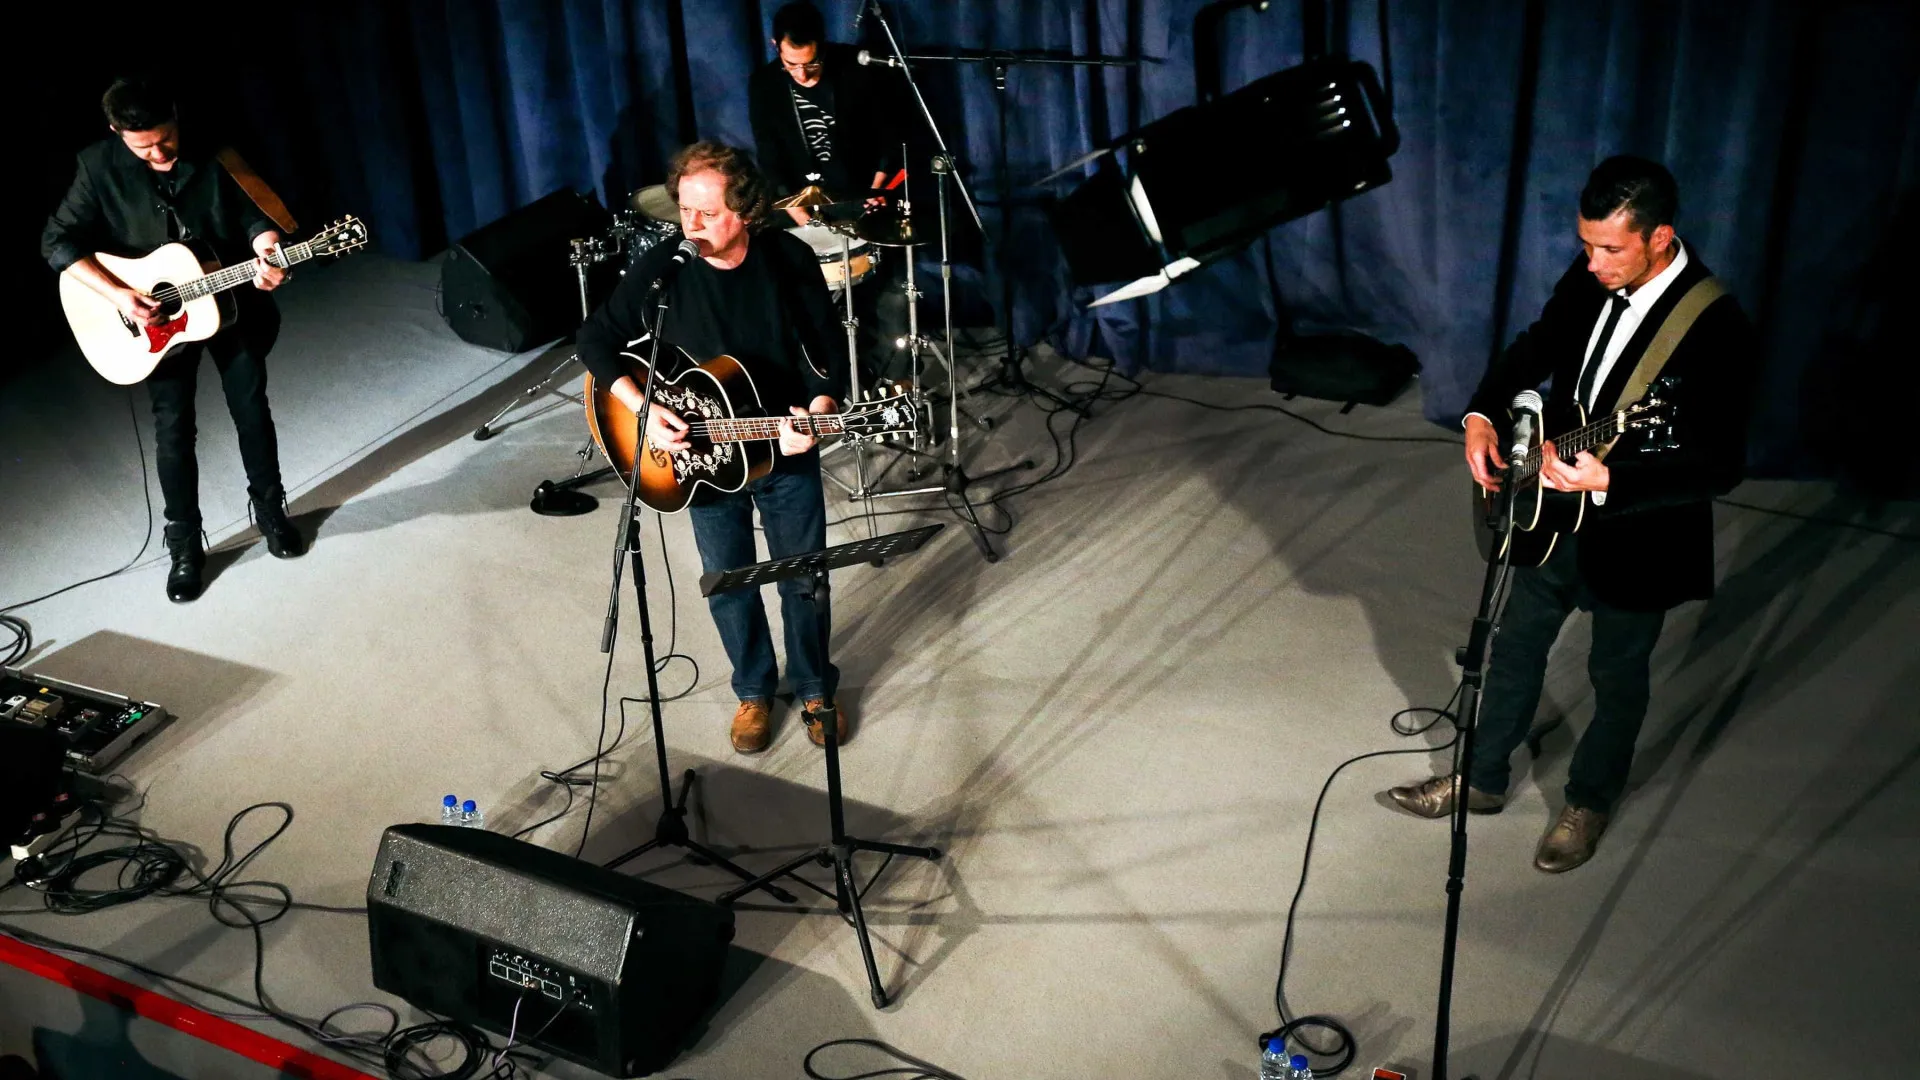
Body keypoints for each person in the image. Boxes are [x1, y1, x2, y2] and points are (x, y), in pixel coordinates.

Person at [1387, 156, 1757, 873]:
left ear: (1659, 237)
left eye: (1609, 248)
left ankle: (1587, 801)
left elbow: (1720, 464)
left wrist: (1613, 477)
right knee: (1515, 643)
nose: (1591, 264)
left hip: (1641, 535)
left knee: (1617, 674)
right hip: (1551, 507)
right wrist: (1480, 415)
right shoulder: (1594, 273)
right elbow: (1537, 346)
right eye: (1586, 245)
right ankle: (1481, 778)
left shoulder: (1717, 328)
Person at [576, 141, 850, 755]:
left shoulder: (787, 258)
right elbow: (595, 339)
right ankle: (754, 690)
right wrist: (642, 410)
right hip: (697, 459)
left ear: (746, 211)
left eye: (707, 213)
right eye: (684, 211)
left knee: (803, 578)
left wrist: (820, 409)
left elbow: (826, 356)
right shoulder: (665, 266)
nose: (690, 226)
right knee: (728, 582)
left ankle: (813, 688)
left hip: (781, 445)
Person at [41, 76, 306, 604]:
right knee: (173, 431)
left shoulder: (220, 146)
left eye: (166, 140)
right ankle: (185, 544)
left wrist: (269, 246)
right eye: (143, 147)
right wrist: (118, 294)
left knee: (252, 410)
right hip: (153, 318)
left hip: (231, 297)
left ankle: (273, 514)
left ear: (177, 115)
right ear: (117, 131)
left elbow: (256, 214)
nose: (159, 153)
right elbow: (57, 241)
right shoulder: (97, 165)